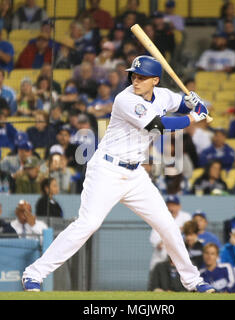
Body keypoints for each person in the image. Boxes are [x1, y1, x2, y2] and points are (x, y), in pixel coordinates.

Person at [22, 55, 216, 293]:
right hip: (107, 170)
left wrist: (194, 101)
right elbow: (158, 125)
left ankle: (193, 281)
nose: (136, 80)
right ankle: (34, 273)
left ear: (155, 80)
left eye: (142, 77)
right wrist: (194, 116)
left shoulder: (164, 94)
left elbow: (181, 103)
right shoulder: (125, 99)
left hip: (135, 175)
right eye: (134, 75)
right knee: (88, 224)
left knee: (167, 224)